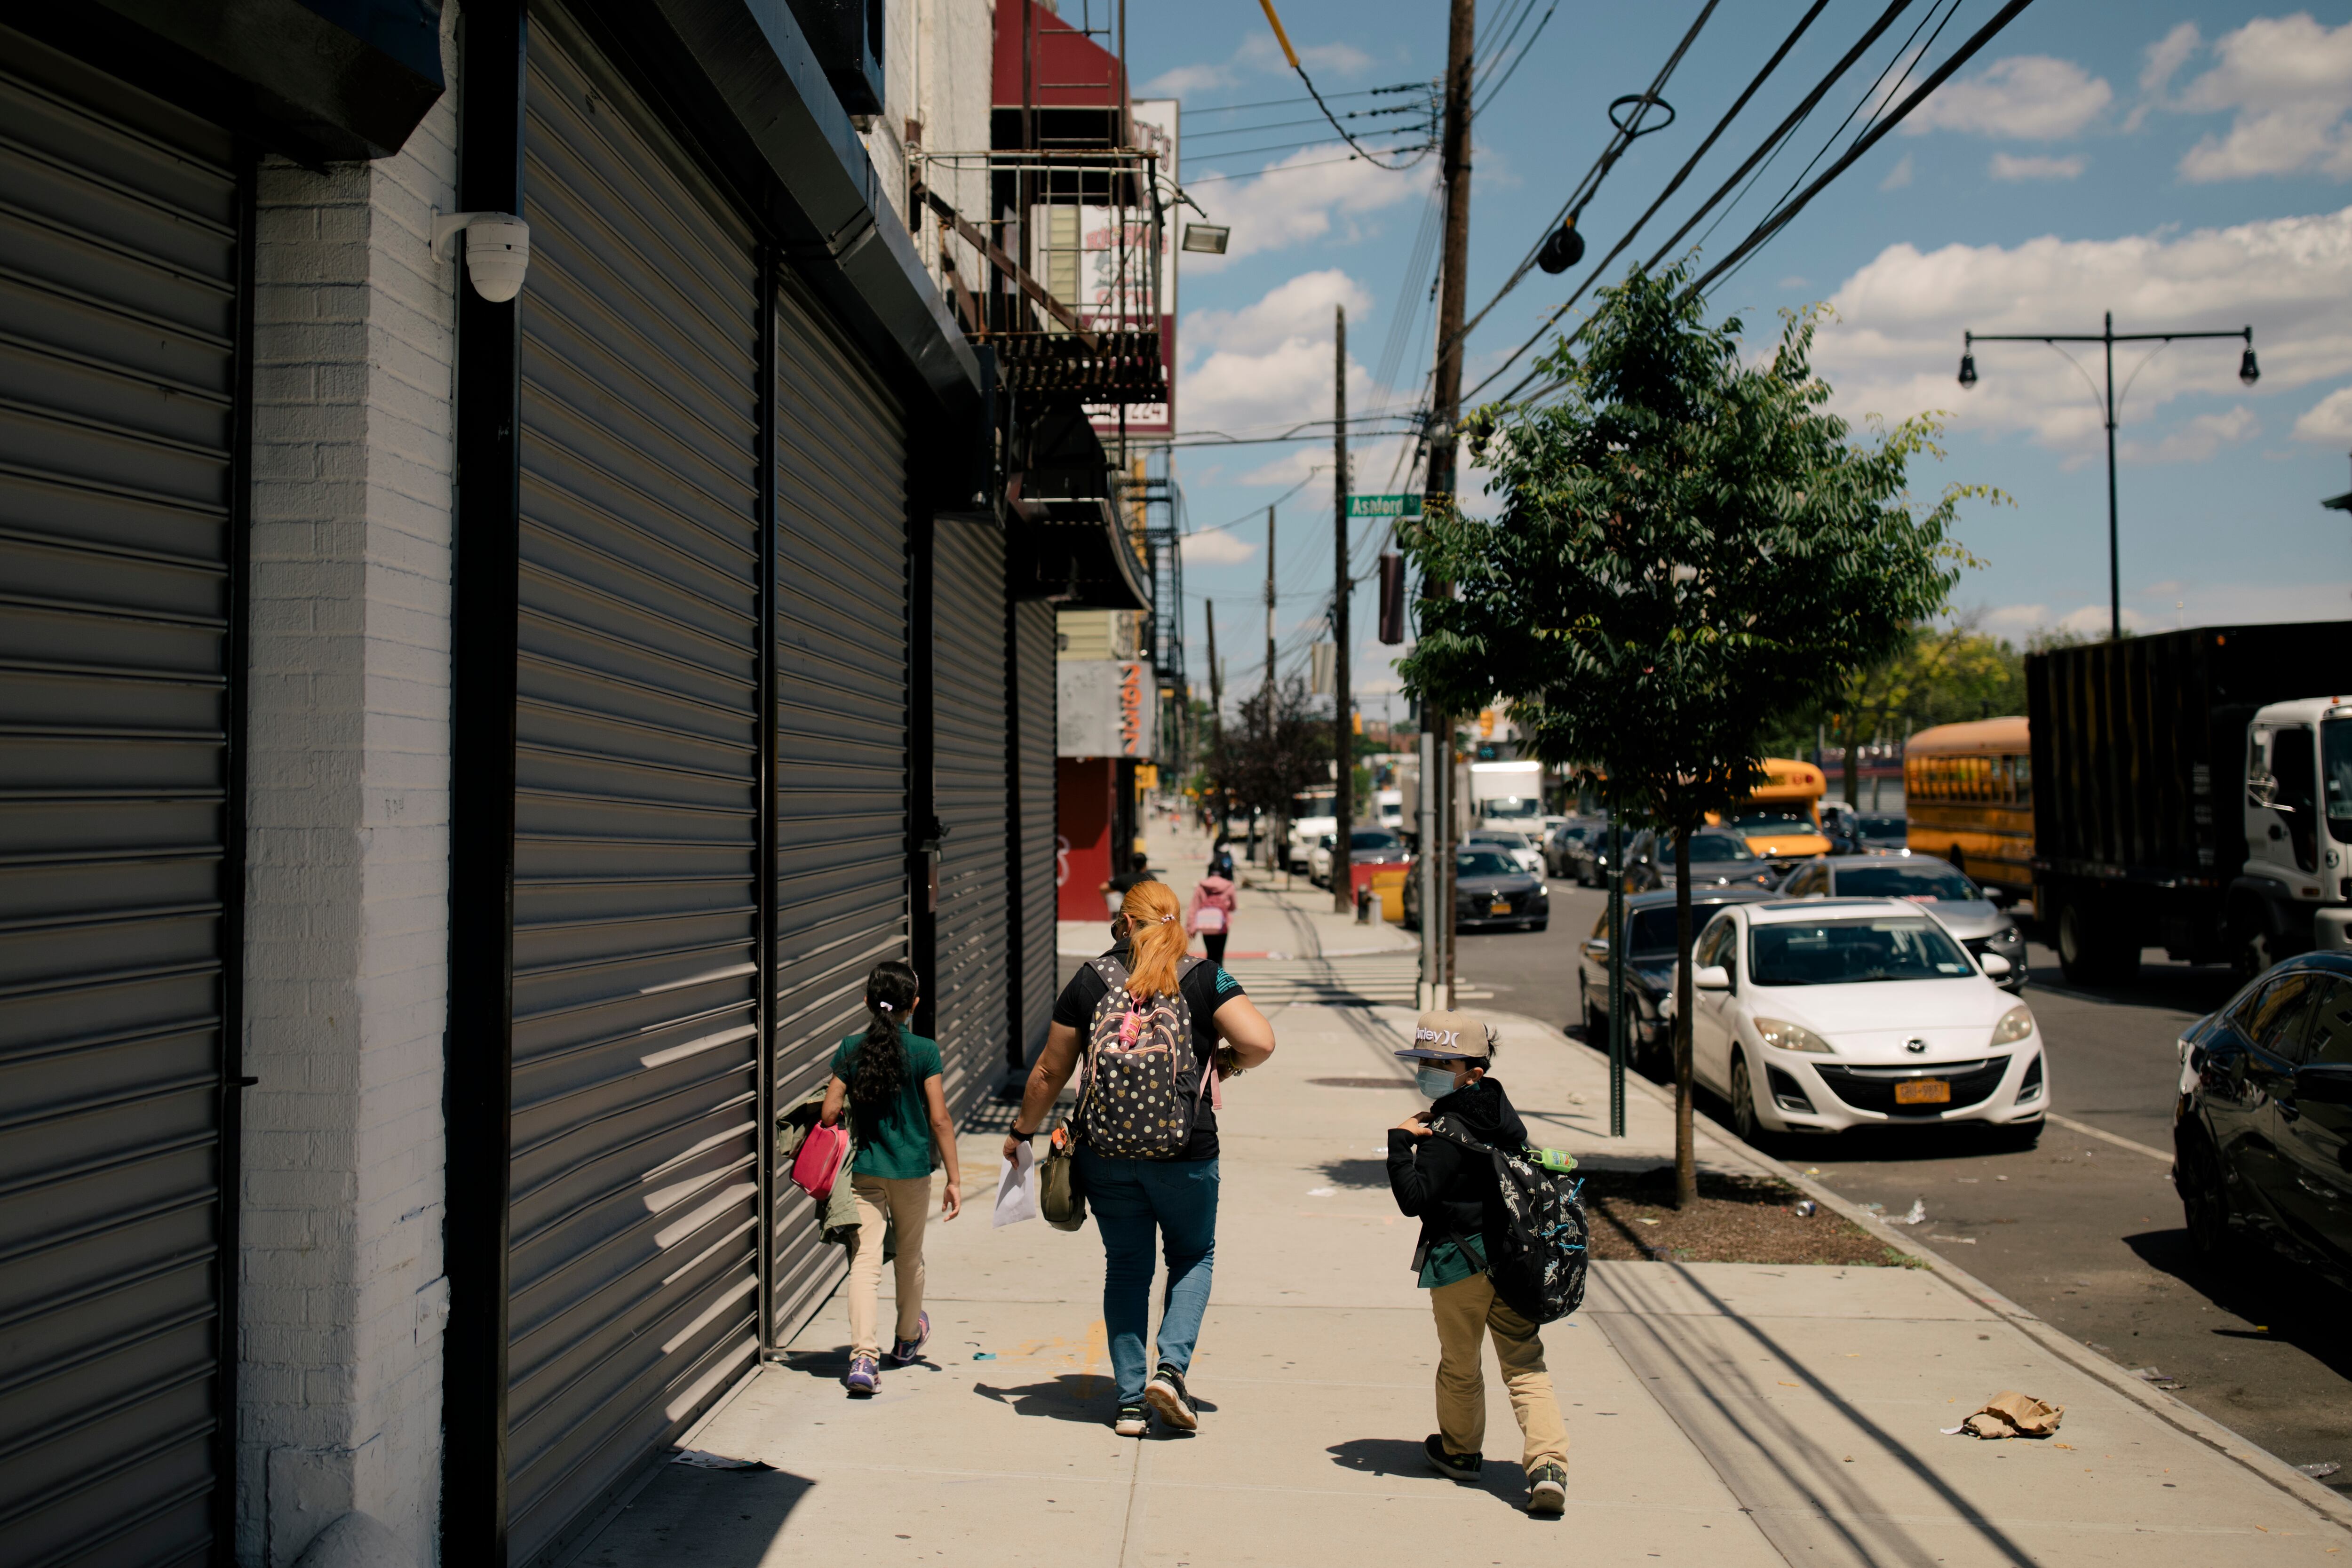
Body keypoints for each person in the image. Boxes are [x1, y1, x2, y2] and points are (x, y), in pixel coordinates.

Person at [1004, 880, 1277, 1437]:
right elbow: (1260, 1042)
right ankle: (1171, 1373)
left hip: (1105, 1153)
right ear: (1177, 924)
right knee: (1193, 1256)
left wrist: (1019, 1133)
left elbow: (1049, 1073)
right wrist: (1223, 1064)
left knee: (1127, 1269)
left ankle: (1129, 1403)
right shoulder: (1205, 976)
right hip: (1186, 1151)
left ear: (1124, 924)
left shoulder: (1087, 980)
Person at [1385, 1011, 1569, 1516]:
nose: (1428, 1069)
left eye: (1441, 1062)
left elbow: (1415, 1198)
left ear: (1474, 1070)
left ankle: (1460, 1451)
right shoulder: (1504, 1117)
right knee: (1525, 1363)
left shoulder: (1443, 1130)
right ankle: (1548, 1466)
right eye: (1424, 1060)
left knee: (1460, 1365)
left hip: (1459, 1263)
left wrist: (1400, 1144)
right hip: (1513, 1261)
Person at [819, 960, 961, 1396]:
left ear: (867, 1001)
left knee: (864, 1262)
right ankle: (905, 1340)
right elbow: (939, 1120)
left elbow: (828, 1113)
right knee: (909, 1258)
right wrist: (955, 1178)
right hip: (913, 1172)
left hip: (865, 1172)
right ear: (913, 1005)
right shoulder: (925, 1051)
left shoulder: (850, 1048)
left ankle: (864, 1356)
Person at [1187, 865, 1238, 963]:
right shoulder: (1229, 886)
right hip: (1222, 926)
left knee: (1210, 954)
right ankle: (1220, 976)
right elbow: (1234, 907)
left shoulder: (1202, 887)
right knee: (1219, 955)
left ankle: (1210, 975)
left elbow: (1194, 908)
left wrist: (1190, 929)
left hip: (1206, 925)